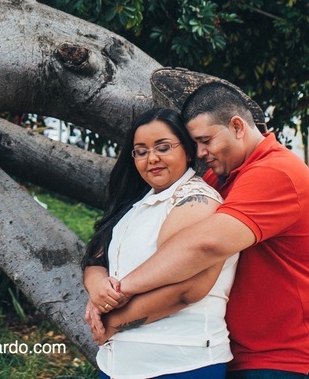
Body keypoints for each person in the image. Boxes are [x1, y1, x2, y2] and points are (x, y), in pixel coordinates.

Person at [104, 84, 309, 379]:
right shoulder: (223, 175)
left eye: (205, 140)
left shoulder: (276, 172)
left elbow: (206, 245)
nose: (200, 153)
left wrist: (119, 292)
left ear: (237, 126)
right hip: (249, 352)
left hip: (299, 356)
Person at [83, 106, 238, 379]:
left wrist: (110, 321)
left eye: (163, 147)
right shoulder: (138, 203)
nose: (151, 158)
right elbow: (98, 258)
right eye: (141, 151)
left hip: (178, 362)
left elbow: (186, 289)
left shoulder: (195, 201)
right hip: (116, 363)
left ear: (188, 151)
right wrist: (97, 290)